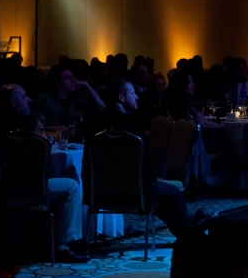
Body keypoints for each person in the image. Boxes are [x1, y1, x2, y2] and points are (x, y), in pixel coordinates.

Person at [84, 79, 204, 238]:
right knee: (172, 194)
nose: (137, 97)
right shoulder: (131, 124)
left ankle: (190, 222)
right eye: (133, 93)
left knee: (164, 200)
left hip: (97, 192)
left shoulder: (94, 122)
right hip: (133, 192)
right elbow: (146, 168)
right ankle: (190, 234)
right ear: (121, 98)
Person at [0, 84, 89, 263]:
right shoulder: (27, 131)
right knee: (72, 186)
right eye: (24, 96)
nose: (29, 99)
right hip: (30, 191)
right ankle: (62, 245)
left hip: (2, 191)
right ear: (13, 102)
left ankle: (39, 240)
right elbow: (45, 164)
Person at [32, 62, 106, 127]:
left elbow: (101, 108)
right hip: (49, 140)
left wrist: (87, 86)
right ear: (57, 83)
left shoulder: (73, 99)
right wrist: (54, 129)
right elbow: (35, 125)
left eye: (73, 77)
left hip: (68, 140)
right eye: (68, 78)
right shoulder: (43, 99)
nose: (73, 81)